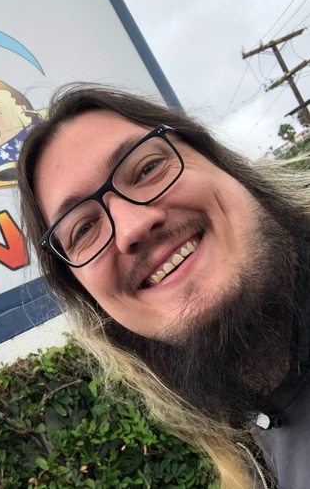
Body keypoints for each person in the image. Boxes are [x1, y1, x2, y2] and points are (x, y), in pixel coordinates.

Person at [17, 83, 310, 488]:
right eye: (83, 230)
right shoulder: (253, 454)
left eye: (148, 168)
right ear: (94, 303)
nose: (133, 226)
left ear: (222, 165)